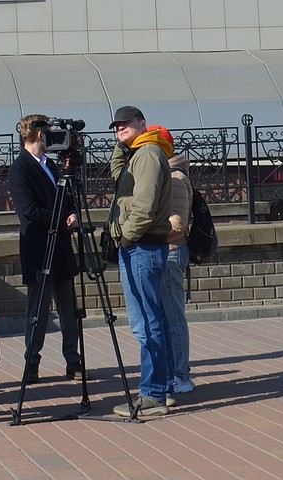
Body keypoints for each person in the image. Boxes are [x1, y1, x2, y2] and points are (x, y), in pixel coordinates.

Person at [109, 106, 175, 419]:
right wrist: (121, 147)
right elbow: (121, 181)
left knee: (147, 324)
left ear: (142, 123)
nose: (120, 128)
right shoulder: (138, 154)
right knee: (154, 320)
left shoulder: (147, 154)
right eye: (117, 125)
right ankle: (163, 388)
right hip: (143, 246)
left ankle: (153, 395)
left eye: (126, 123)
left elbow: (144, 206)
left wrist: (126, 238)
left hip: (142, 246)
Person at [8, 114, 82, 383]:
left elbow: (67, 197)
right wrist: (61, 217)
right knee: (37, 311)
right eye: (49, 133)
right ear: (40, 135)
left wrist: (72, 212)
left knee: (69, 309)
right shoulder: (20, 168)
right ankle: (32, 363)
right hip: (39, 249)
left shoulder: (51, 164)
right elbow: (28, 210)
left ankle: (73, 360)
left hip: (60, 248)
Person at [164, 147, 195, 396]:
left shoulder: (174, 178)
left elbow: (176, 224)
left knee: (173, 316)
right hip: (167, 250)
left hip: (171, 251)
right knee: (166, 316)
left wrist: (141, 229)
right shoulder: (168, 174)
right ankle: (174, 372)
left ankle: (180, 375)